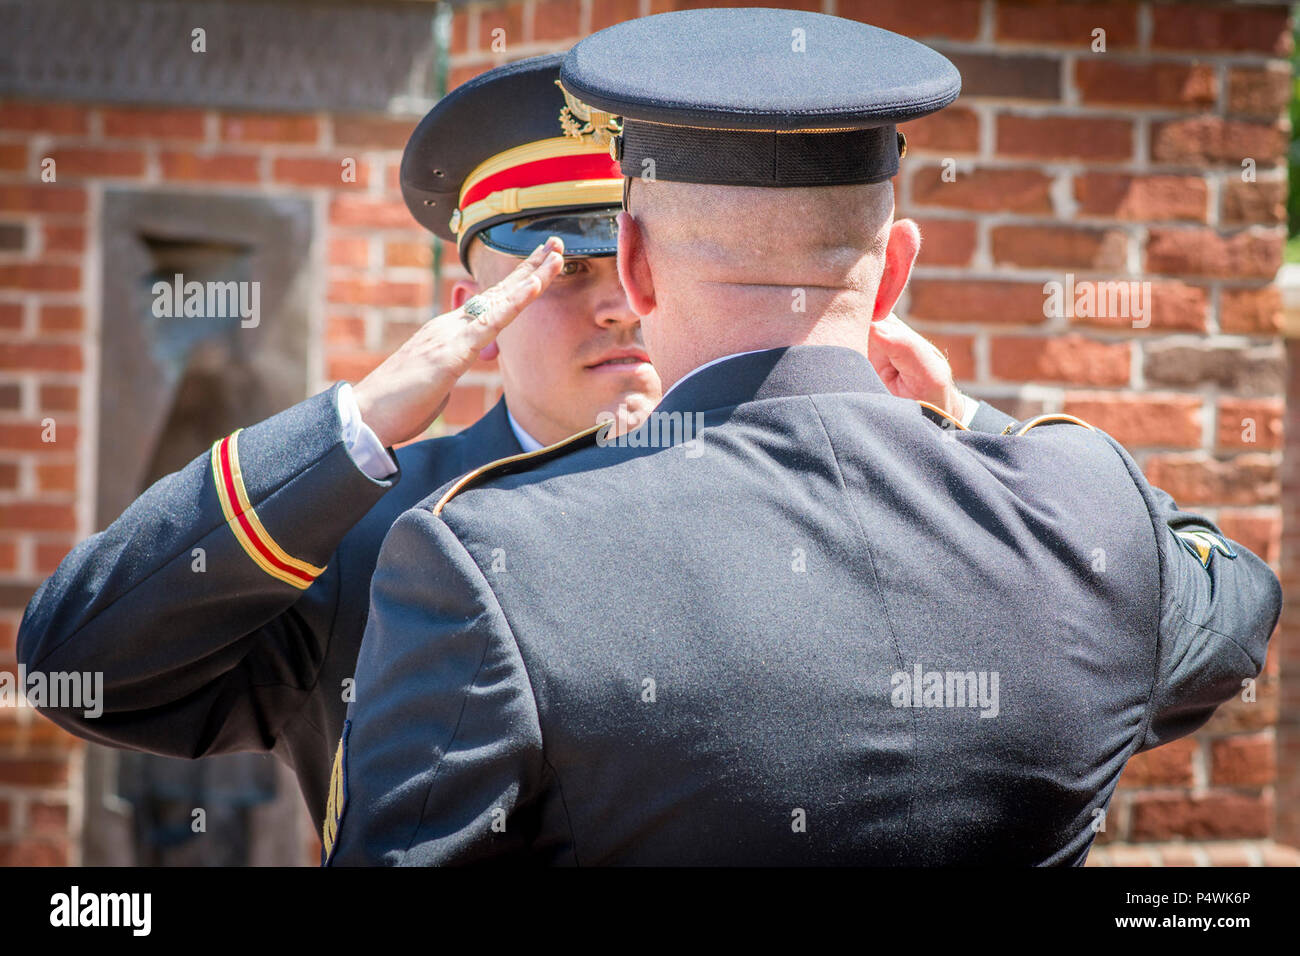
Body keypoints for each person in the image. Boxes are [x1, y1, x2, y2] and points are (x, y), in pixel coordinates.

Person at [326, 10, 1282, 866]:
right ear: (894, 268)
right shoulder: (1084, 509)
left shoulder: (491, 559)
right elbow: (1239, 600)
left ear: (635, 265)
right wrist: (978, 431)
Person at [16, 52, 989, 845]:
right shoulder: (381, 530)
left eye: (637, 260)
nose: (617, 299)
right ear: (470, 314)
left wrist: (960, 452)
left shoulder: (809, 502)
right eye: (555, 269)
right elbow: (82, 663)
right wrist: (356, 421)